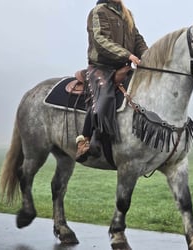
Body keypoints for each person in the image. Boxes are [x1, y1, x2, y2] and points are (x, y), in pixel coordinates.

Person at [76, 0, 148, 162]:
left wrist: (148, 56)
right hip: (101, 66)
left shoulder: (126, 13)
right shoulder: (99, 11)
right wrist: (127, 55)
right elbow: (100, 40)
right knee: (105, 97)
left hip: (123, 66)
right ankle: (85, 140)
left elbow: (137, 40)